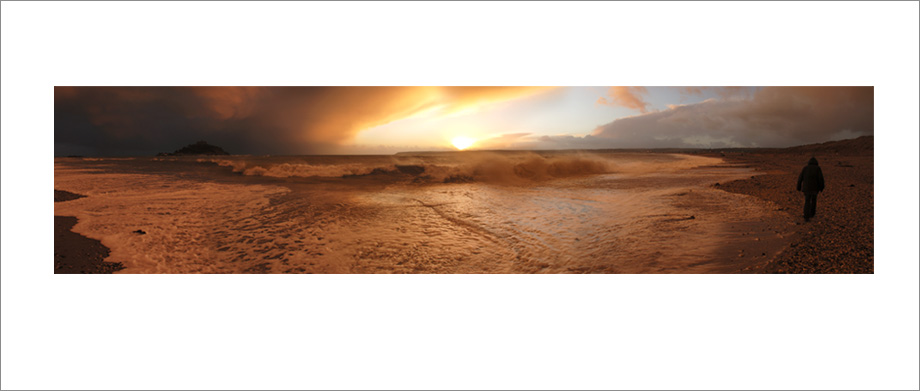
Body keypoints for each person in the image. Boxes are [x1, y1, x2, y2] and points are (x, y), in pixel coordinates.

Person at [796, 157, 825, 222]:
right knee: (814, 201)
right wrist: (821, 187)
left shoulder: (805, 168)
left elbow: (800, 178)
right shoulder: (818, 168)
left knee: (807, 201)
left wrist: (798, 187)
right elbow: (821, 179)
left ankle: (806, 216)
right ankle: (812, 214)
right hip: (815, 188)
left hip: (806, 188)